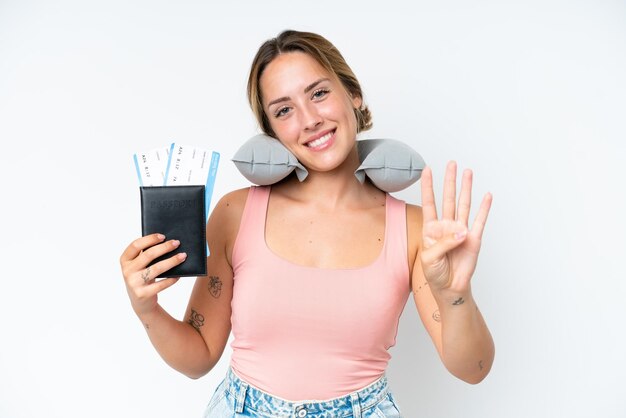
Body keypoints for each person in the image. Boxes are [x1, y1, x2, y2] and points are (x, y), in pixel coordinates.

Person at [120, 29, 495, 417]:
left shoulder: (415, 230)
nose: (310, 119)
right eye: (284, 110)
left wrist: (456, 295)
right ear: (273, 130)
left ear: (353, 94)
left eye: (318, 93)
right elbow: (197, 356)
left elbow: (473, 369)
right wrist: (147, 309)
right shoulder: (234, 214)